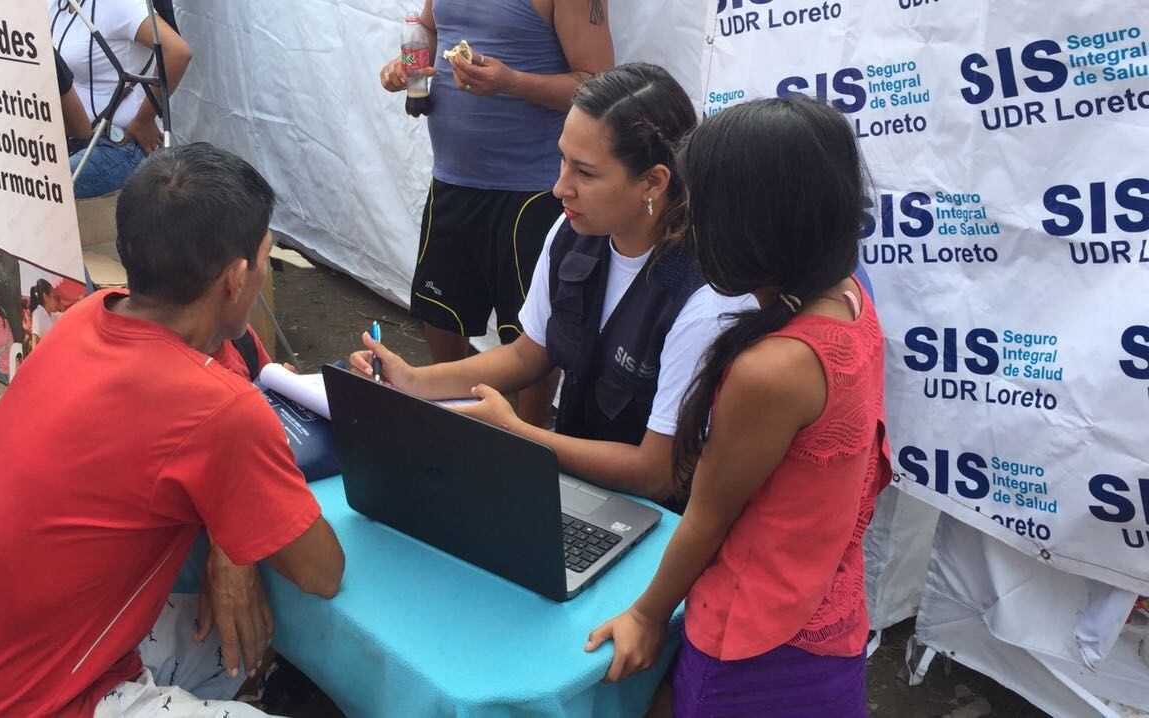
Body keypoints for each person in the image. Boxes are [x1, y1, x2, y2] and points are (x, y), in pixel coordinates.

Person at [0, 144, 345, 717]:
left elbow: (210, 386)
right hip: (43, 702)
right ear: (237, 279)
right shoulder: (220, 410)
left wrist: (230, 538)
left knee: (245, 636)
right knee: (270, 634)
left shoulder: (87, 316)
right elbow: (322, 572)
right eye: (265, 257)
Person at [584, 96, 891, 717]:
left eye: (702, 211)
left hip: (750, 644)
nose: (689, 229)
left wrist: (647, 615)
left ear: (753, 224)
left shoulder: (772, 369)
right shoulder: (850, 300)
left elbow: (707, 517)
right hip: (826, 611)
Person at [354, 64, 751, 508]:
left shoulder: (705, 298)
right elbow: (528, 353)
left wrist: (517, 434)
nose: (560, 187)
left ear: (653, 182)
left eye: (586, 173)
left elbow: (657, 473)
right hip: (578, 492)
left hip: (660, 518)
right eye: (563, 159)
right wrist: (411, 381)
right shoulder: (571, 231)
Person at [377, 0, 614, 426]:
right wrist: (408, 65)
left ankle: (528, 437)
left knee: (530, 333)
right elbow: (429, 28)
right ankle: (455, 421)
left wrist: (512, 82)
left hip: (531, 190)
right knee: (442, 311)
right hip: (452, 176)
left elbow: (600, 85)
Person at [50, 0, 193, 198]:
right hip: (72, 137)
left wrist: (144, 119)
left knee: (47, 186)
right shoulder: (54, 5)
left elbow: (178, 52)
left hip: (119, 143)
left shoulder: (119, 4)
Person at [29, 277, 64, 344]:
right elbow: (34, 343)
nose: (56, 301)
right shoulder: (38, 313)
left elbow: (68, 316)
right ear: (45, 297)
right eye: (54, 297)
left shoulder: (53, 315)